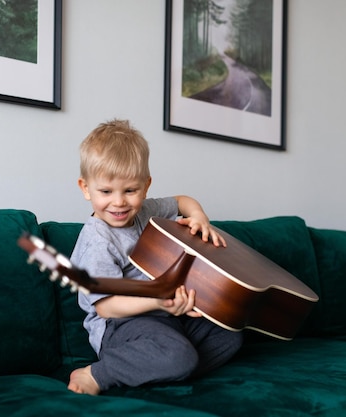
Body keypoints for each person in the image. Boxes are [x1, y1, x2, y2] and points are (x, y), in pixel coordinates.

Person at [68, 119, 243, 395]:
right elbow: (107, 307)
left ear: (145, 186)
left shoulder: (145, 211)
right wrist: (159, 300)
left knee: (231, 333)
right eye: (105, 192)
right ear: (85, 188)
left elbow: (182, 201)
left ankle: (167, 364)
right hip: (120, 326)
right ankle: (99, 373)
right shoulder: (97, 240)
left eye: (130, 190)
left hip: (164, 317)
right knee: (178, 355)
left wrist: (199, 218)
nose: (119, 202)